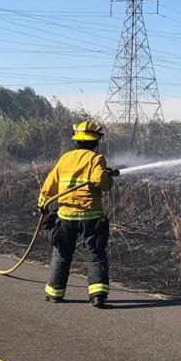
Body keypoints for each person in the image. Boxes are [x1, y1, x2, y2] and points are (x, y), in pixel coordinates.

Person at [37, 120, 118, 308]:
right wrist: (108, 179)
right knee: (95, 253)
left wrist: (43, 203)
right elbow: (101, 183)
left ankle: (54, 293)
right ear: (96, 142)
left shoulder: (65, 158)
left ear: (76, 141)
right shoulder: (96, 159)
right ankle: (97, 296)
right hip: (91, 215)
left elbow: (51, 182)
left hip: (65, 215)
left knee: (61, 253)